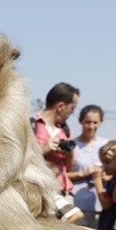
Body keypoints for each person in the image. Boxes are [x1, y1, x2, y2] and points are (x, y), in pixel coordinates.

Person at [32, 82, 82, 221]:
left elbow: (68, 167)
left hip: (64, 192)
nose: (72, 112)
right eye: (72, 108)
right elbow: (21, 160)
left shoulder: (65, 130)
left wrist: (68, 155)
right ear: (60, 106)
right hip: (41, 193)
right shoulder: (31, 124)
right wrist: (43, 149)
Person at [67, 105, 107, 228]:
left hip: (100, 206)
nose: (91, 126)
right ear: (80, 121)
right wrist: (83, 173)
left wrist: (105, 175)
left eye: (95, 122)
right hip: (77, 206)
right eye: (87, 122)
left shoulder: (105, 145)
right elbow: (62, 175)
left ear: (101, 122)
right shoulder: (72, 145)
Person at [93, 140, 116, 230]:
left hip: (114, 227)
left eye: (107, 162)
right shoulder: (114, 177)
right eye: (102, 163)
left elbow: (106, 204)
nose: (103, 167)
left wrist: (97, 180)